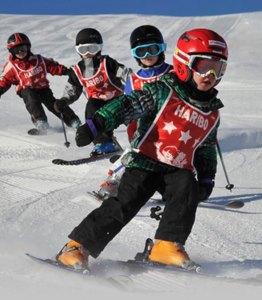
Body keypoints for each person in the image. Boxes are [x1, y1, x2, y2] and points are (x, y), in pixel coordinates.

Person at [56, 28, 229, 273]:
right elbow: (128, 104)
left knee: (186, 188)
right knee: (123, 205)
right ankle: (76, 247)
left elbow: (206, 146)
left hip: (177, 167)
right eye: (203, 65)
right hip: (146, 160)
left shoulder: (211, 111)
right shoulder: (162, 90)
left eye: (218, 68)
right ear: (182, 63)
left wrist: (207, 177)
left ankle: (166, 245)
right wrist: (97, 123)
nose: (210, 74)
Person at [95, 25, 173, 201]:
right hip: (145, 133)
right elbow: (128, 108)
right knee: (138, 153)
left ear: (162, 49)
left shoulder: (175, 73)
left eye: (153, 49)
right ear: (135, 54)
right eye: (141, 52)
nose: (147, 56)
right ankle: (114, 180)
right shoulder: (134, 80)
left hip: (172, 129)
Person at [53, 28, 133, 156]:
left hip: (118, 100)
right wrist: (64, 100)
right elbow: (73, 89)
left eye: (92, 48)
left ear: (99, 48)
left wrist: (136, 86)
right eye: (84, 50)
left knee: (134, 118)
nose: (88, 53)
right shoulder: (77, 70)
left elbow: (126, 75)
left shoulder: (107, 63)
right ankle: (103, 143)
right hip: (97, 102)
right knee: (91, 108)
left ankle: (142, 142)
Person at [0, 33, 81, 135]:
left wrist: (66, 71)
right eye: (17, 50)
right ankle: (41, 123)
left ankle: (74, 122)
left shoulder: (39, 60)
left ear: (28, 48)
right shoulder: (11, 66)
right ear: (11, 51)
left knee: (54, 104)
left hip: (43, 88)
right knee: (31, 99)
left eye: (23, 48)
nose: (21, 52)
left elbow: (52, 67)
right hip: (25, 89)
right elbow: (5, 80)